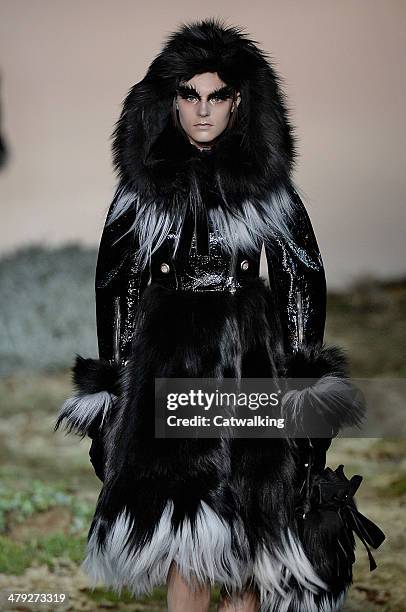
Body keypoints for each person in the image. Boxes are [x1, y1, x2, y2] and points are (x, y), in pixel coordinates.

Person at [55, 18, 385, 612]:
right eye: (189, 94)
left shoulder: (268, 190)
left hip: (251, 365)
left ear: (239, 101)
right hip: (172, 369)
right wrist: (113, 397)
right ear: (169, 100)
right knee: (187, 542)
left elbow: (300, 282)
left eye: (217, 96)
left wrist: (307, 390)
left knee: (252, 544)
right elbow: (117, 290)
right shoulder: (142, 192)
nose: (203, 111)